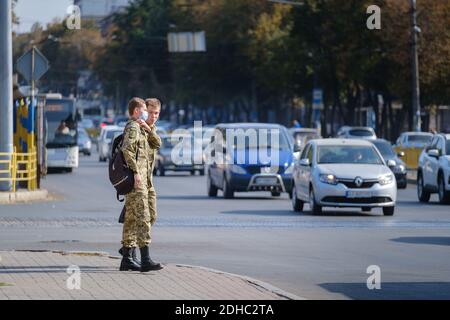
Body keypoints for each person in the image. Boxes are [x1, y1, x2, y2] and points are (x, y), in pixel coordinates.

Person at [119, 97, 162, 272]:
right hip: (137, 181)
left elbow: (157, 143)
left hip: (147, 181)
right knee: (142, 218)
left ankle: (127, 254)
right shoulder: (133, 127)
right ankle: (145, 259)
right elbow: (126, 150)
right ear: (138, 111)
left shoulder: (145, 128)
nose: (151, 115)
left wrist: (149, 129)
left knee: (139, 217)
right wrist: (135, 172)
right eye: (147, 110)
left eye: (154, 112)